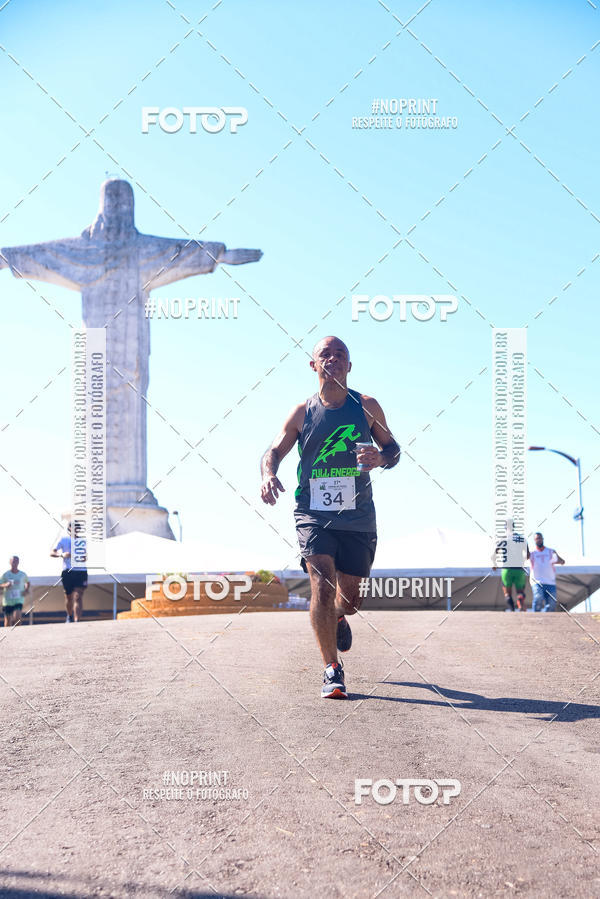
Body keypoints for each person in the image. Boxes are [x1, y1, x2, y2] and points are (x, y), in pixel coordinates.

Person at [260, 336, 400, 699]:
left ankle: (339, 615)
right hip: (313, 513)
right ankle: (332, 669)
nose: (333, 359)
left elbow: (393, 448)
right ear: (314, 365)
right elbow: (273, 451)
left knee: (350, 600)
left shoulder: (366, 406)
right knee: (321, 583)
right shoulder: (302, 413)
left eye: (341, 355)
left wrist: (381, 459)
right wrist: (268, 474)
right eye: (326, 354)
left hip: (358, 517)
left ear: (349, 366)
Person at [50, 522, 88, 622]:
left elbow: (85, 556)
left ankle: (77, 620)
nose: (76, 529)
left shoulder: (82, 541)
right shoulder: (63, 539)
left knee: (78, 596)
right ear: (69, 528)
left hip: (81, 571)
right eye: (73, 527)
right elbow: (52, 552)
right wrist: (62, 555)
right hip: (68, 571)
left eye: (77, 527)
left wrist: (82, 557)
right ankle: (70, 615)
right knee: (69, 597)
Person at [492, 521, 527, 611]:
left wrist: (495, 564)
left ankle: (512, 611)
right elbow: (528, 555)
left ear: (505, 527)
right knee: (520, 591)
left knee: (507, 593)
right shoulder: (521, 538)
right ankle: (520, 603)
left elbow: (494, 555)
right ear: (514, 527)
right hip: (519, 569)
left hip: (507, 569)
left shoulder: (503, 539)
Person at [527, 532, 564, 612]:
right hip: (537, 581)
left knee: (552, 604)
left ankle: (546, 618)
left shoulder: (551, 551)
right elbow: (524, 557)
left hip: (550, 582)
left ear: (543, 539)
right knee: (538, 598)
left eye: (540, 538)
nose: (538, 540)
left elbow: (561, 561)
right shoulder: (532, 553)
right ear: (534, 540)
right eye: (537, 539)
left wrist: (558, 559)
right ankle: (535, 617)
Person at [1, 555, 30, 627]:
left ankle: (18, 632)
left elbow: (28, 582)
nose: (15, 563)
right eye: (13, 561)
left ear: (18, 562)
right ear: (10, 562)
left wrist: (26, 590)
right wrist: (5, 585)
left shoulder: (22, 574)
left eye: (16, 561)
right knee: (8, 620)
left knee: (17, 618)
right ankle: (7, 633)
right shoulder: (5, 574)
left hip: (18, 599)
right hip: (8, 601)